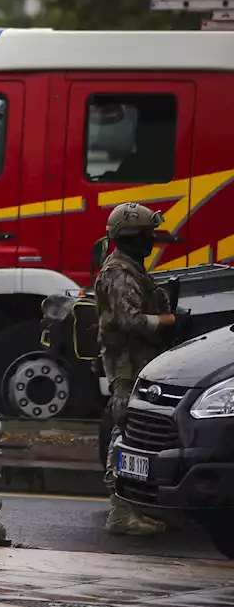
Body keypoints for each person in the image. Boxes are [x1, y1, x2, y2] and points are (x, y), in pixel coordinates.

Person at [96, 202, 174, 536]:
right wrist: (168, 321)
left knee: (136, 430)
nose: (152, 240)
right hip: (126, 364)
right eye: (146, 234)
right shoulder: (118, 273)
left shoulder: (132, 268)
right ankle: (120, 511)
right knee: (124, 430)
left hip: (141, 361)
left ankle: (134, 505)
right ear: (130, 237)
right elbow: (129, 320)